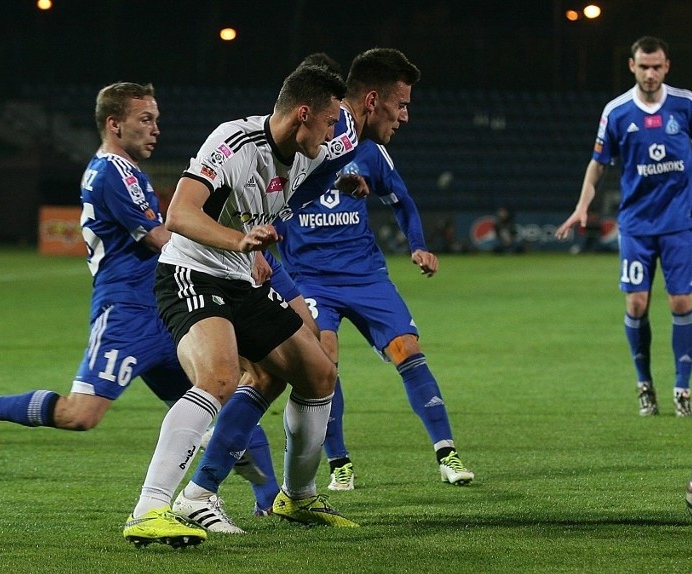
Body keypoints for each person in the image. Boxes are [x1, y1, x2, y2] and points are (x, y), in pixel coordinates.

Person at [0, 82, 273, 541]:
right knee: (83, 414)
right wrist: (233, 251)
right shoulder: (111, 171)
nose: (155, 129)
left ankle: (267, 503)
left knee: (225, 390)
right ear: (115, 125)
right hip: (127, 313)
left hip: (162, 305)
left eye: (156, 118)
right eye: (145, 120)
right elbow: (160, 239)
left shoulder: (128, 170)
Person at [172, 48, 428, 528]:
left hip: (258, 252)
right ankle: (203, 491)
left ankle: (287, 494)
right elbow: (280, 162)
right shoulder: (339, 131)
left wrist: (340, 178)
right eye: (401, 104)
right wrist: (249, 247)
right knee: (262, 374)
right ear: (372, 100)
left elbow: (298, 177)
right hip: (233, 258)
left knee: (307, 369)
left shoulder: (344, 142)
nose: (405, 116)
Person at [122, 63, 367, 547]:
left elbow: (319, 175)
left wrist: (344, 183)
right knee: (219, 377)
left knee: (319, 373)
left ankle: (296, 497)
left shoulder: (300, 155)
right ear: (303, 114)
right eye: (329, 120)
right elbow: (179, 214)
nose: (333, 130)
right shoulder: (233, 141)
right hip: (192, 273)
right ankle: (149, 509)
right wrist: (240, 241)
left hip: (241, 278)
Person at [269, 53, 473, 491]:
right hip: (311, 278)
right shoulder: (312, 144)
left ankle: (446, 451)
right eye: (400, 105)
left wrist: (418, 245)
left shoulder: (368, 153)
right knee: (324, 359)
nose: (405, 116)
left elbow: (403, 200)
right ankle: (338, 460)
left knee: (408, 349)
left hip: (365, 276)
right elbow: (280, 194)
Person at [555, 36, 692, 417]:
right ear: (632, 66)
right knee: (636, 302)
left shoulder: (684, 103)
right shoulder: (616, 112)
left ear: (667, 67)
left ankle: (682, 389)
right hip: (636, 224)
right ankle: (644, 385)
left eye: (657, 66)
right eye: (643, 66)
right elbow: (598, 163)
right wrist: (583, 205)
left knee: (681, 301)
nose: (650, 73)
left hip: (679, 222)